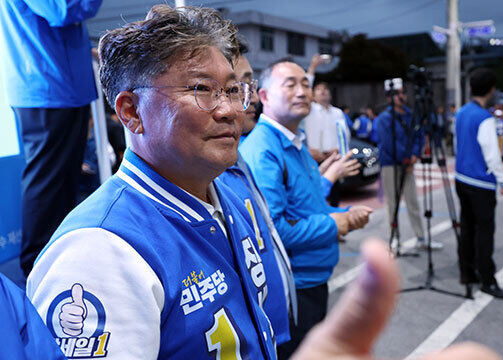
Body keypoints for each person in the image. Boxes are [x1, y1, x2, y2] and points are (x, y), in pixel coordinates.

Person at [27, 6, 279, 358]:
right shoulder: (99, 252)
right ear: (131, 112)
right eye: (203, 89)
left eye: (234, 89)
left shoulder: (224, 196)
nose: (229, 109)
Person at [239, 59, 372, 358]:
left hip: (312, 281)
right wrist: (338, 223)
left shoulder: (295, 143)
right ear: (264, 96)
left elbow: (307, 205)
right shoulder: (264, 150)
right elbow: (274, 232)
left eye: (306, 84)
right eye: (290, 84)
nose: (302, 91)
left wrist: (342, 205)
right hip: (293, 290)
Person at [0, 0, 103, 277]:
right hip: (48, 85)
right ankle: (37, 268)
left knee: (63, 184)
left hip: (61, 85)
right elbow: (62, 9)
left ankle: (56, 259)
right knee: (48, 184)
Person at [217, 37, 295, 346]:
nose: (250, 101)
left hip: (273, 331)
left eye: (247, 87)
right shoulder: (210, 175)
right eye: (237, 87)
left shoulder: (238, 160)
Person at [454, 68, 503, 300]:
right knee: (485, 231)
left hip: (461, 177)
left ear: (470, 88)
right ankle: (488, 279)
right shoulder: (484, 118)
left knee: (467, 227)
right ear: (491, 89)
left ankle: (467, 272)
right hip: (481, 182)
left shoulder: (461, 113)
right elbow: (492, 154)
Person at [374, 84, 443, 253]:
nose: (401, 96)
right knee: (393, 203)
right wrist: (407, 158)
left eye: (403, 93)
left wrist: (414, 156)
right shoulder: (384, 118)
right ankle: (395, 237)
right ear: (389, 97)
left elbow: (419, 136)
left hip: (408, 165)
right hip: (391, 164)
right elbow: (389, 143)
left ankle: (420, 237)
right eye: (397, 94)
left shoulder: (411, 114)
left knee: (413, 201)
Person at [303, 80, 352, 206]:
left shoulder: (337, 112)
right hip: (314, 158)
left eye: (326, 88)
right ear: (313, 95)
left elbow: (345, 134)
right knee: (316, 193)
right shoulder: (309, 110)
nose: (323, 91)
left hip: (333, 157)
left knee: (334, 194)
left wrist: (339, 149)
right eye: (319, 89)